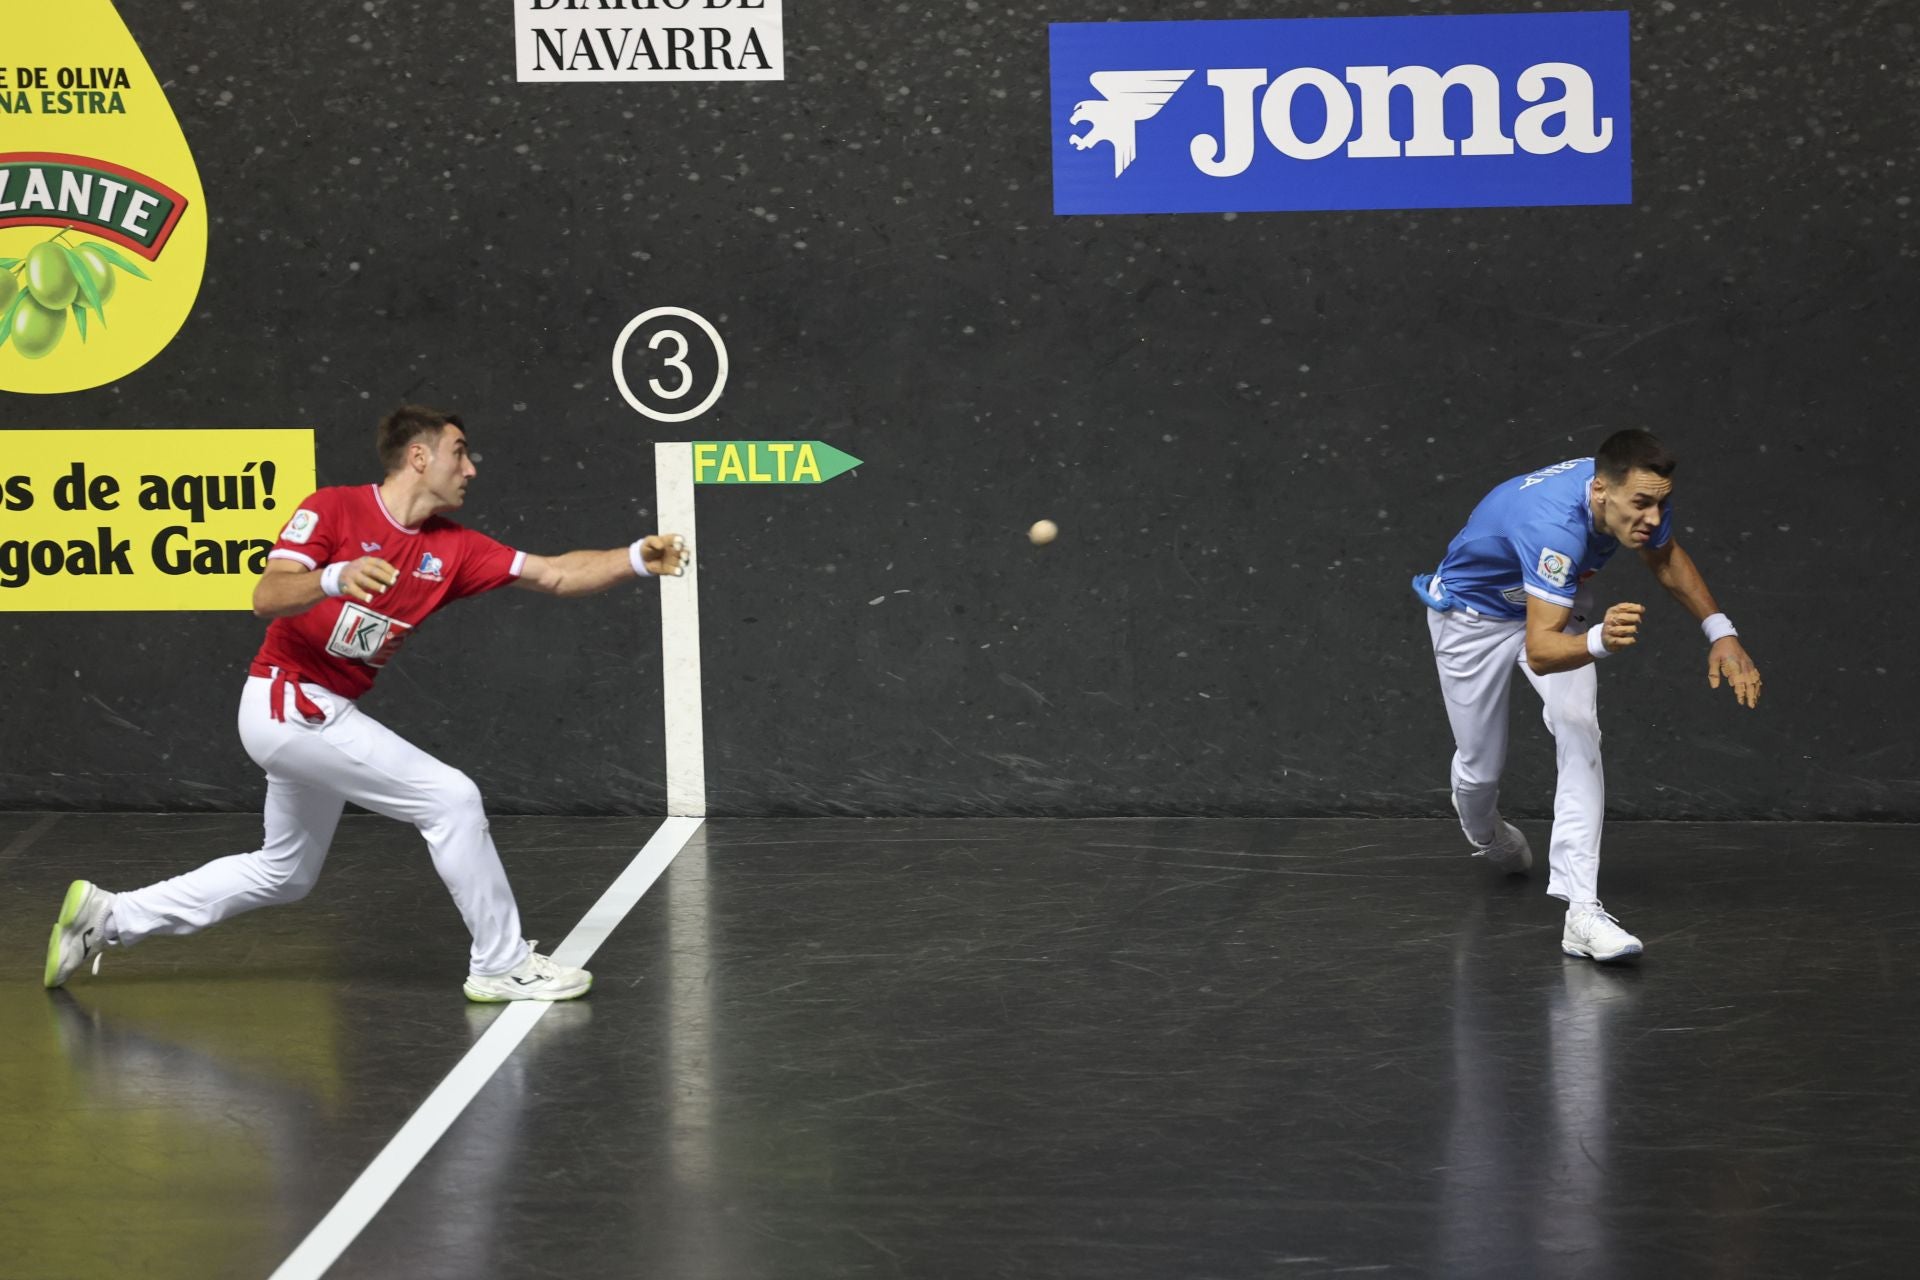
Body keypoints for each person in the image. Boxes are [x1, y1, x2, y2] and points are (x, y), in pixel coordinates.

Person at [43, 405, 690, 1001]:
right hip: (287, 700)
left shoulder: (454, 549)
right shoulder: (334, 510)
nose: (470, 467)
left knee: (286, 871)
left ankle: (111, 915)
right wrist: (334, 576)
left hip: (314, 714)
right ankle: (501, 962)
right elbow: (266, 597)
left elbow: (554, 573)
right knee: (451, 798)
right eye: (459, 453)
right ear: (418, 457)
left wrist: (634, 558)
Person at [1411, 429, 1761, 962]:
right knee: (1480, 768)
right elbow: (1545, 648)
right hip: (1471, 620)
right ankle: (1486, 836)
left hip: (1554, 606)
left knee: (1578, 726)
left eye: (1660, 503)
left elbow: (1664, 557)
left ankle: (1582, 910)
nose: (1651, 517)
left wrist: (1722, 632)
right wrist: (1599, 639)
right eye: (1641, 505)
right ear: (1600, 492)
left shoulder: (1634, 494)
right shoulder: (1553, 527)